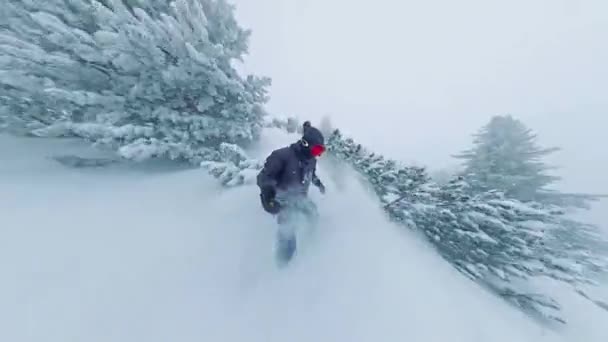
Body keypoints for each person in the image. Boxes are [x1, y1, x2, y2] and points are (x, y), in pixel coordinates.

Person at [256, 121, 327, 263]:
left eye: (320, 151)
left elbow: (310, 174)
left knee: (313, 214)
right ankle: (283, 265)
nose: (317, 155)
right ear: (305, 144)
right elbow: (263, 177)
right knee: (288, 231)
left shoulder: (311, 160)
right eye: (316, 150)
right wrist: (268, 196)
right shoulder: (282, 156)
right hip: (282, 200)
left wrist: (318, 184)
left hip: (300, 198)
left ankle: (313, 246)